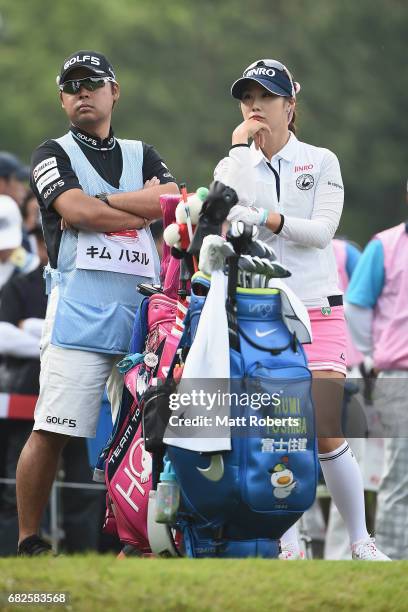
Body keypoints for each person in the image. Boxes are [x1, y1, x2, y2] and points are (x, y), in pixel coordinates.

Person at [214, 59, 389, 560]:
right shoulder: (237, 162)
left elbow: (319, 233)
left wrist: (265, 217)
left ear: (290, 107)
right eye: (247, 98)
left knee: (326, 427)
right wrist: (236, 152)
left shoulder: (321, 160)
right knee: (279, 430)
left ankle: (359, 541)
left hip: (317, 309)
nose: (254, 108)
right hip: (260, 314)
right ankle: (289, 544)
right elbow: (226, 212)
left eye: (265, 98)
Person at [16, 50, 178, 556]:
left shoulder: (143, 151)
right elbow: (75, 211)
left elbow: (170, 200)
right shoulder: (52, 153)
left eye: (92, 83)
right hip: (78, 320)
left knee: (150, 439)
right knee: (52, 430)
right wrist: (133, 203)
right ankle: (29, 542)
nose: (82, 92)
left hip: (141, 321)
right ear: (63, 98)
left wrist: (99, 203)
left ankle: (145, 541)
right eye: (71, 86)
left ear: (115, 91)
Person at [345, 181, 408, 560]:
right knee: (402, 477)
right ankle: (398, 566)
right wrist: (373, 354)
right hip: (400, 375)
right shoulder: (386, 245)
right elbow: (356, 307)